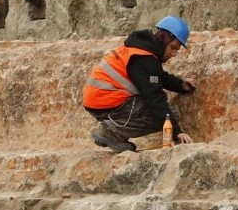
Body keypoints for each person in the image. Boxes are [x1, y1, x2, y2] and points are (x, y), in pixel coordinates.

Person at [82, 16, 196, 152]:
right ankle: (112, 131)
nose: (174, 54)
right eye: (173, 47)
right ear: (164, 38)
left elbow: (157, 76)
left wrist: (180, 85)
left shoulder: (143, 49)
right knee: (169, 114)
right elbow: (154, 97)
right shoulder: (143, 57)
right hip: (105, 100)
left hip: (99, 99)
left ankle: (113, 129)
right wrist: (176, 131)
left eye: (176, 50)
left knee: (165, 112)